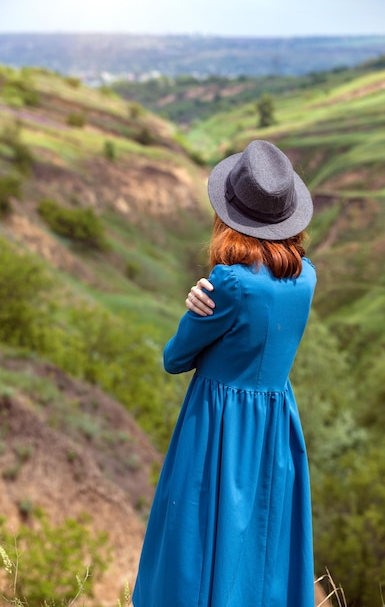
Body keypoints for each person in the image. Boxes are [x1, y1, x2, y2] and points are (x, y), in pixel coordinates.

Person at [133, 139, 317, 607]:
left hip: (218, 427)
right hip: (276, 425)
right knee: (263, 543)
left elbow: (175, 358)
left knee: (197, 544)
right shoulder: (307, 277)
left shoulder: (230, 282)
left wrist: (194, 308)